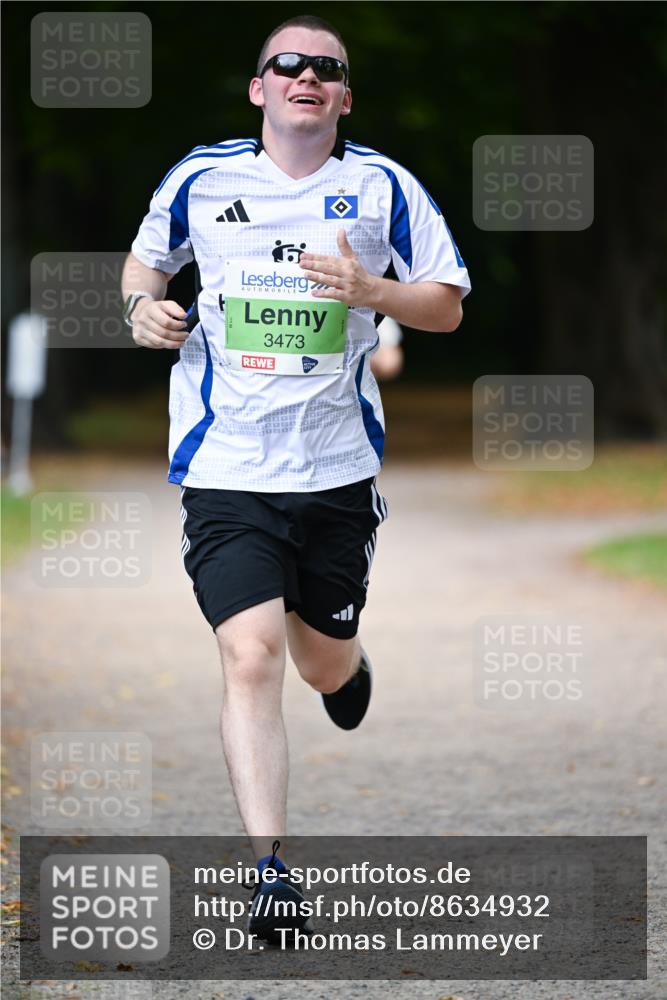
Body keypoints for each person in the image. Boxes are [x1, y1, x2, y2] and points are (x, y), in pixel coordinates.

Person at [121, 14, 470, 943]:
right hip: (227, 468)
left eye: (326, 68)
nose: (305, 76)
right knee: (249, 657)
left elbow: (444, 306)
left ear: (344, 95)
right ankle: (270, 872)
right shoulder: (202, 177)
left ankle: (347, 666)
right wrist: (142, 310)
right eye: (288, 64)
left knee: (316, 659)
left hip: (334, 473)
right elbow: (144, 268)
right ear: (259, 87)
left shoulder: (383, 186)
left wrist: (373, 294)